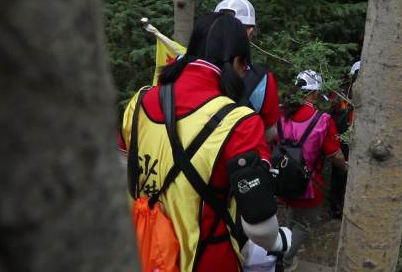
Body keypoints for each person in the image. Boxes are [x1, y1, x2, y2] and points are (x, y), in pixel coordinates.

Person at [119, 15, 290, 272]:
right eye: (245, 66)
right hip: (207, 260)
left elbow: (124, 170)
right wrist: (280, 240)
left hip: (143, 251)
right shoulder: (240, 123)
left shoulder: (140, 101)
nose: (245, 73)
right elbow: (259, 226)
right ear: (235, 61)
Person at [276, 70, 348, 271]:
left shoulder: (281, 112)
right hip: (308, 183)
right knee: (306, 222)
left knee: (292, 215)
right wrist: (347, 168)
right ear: (315, 94)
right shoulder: (322, 120)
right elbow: (335, 156)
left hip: (281, 178)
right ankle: (284, 261)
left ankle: (281, 250)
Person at [214, 0, 281, 143]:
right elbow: (270, 132)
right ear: (250, 32)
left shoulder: (188, 66)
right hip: (238, 159)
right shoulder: (263, 80)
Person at [328, 61, 359, 218]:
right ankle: (336, 207)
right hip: (341, 138)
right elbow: (331, 113)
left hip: (356, 138)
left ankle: (346, 206)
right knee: (340, 172)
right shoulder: (341, 93)